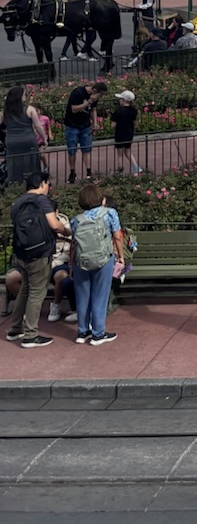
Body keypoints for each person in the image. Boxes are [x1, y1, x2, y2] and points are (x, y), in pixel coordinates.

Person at [6, 172, 64, 349]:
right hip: (40, 253)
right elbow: (54, 224)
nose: (48, 188)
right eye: (47, 184)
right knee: (37, 293)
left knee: (25, 289)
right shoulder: (41, 201)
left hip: (22, 253)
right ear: (42, 184)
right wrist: (66, 232)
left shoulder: (18, 203)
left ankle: (15, 329)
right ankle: (30, 335)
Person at [68, 180, 127, 346]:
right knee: (100, 295)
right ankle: (98, 333)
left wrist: (71, 264)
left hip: (81, 261)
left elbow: (74, 244)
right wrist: (120, 256)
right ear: (101, 199)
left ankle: (82, 331)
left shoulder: (76, 220)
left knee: (82, 296)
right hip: (103, 259)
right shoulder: (109, 213)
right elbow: (117, 236)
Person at [62, 79, 105, 184]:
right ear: (94, 90)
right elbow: (74, 109)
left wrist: (95, 122)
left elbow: (93, 109)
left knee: (87, 149)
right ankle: (72, 172)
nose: (100, 97)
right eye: (100, 94)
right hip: (72, 125)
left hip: (85, 126)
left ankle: (89, 172)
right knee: (72, 150)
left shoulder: (95, 98)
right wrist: (88, 102)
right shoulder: (78, 92)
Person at [1, 83, 44, 189]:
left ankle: (14, 187)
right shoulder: (29, 110)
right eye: (24, 94)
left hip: (12, 142)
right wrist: (44, 138)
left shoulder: (4, 113)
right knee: (32, 164)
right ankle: (33, 186)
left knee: (14, 166)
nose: (25, 96)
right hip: (28, 139)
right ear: (19, 97)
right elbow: (38, 126)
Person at [110, 89, 141, 175]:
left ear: (123, 100)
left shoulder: (118, 111)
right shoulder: (133, 110)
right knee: (128, 151)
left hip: (119, 134)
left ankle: (120, 171)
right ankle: (136, 167)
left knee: (120, 154)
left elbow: (113, 125)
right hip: (129, 133)